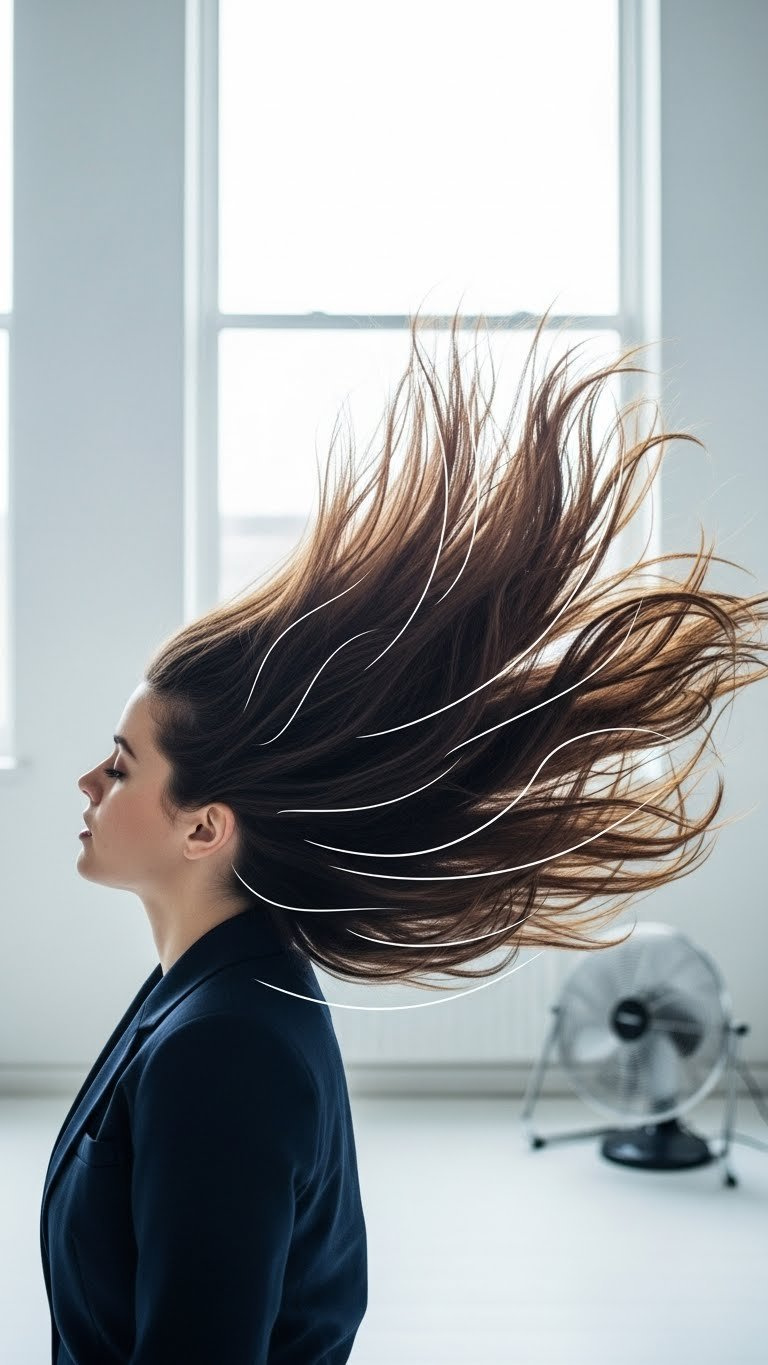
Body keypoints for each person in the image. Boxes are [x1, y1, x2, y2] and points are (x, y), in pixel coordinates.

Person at [40, 306, 768, 1362]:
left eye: (120, 764)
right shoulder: (208, 990)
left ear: (205, 827)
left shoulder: (223, 1047)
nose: (88, 781)